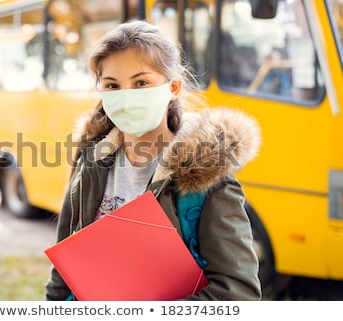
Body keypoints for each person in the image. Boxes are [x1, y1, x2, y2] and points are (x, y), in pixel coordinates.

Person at [45, 20, 262, 301]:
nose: (126, 96)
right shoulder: (90, 163)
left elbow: (238, 294)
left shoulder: (208, 177)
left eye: (141, 82)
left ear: (172, 87)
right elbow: (64, 272)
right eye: (112, 85)